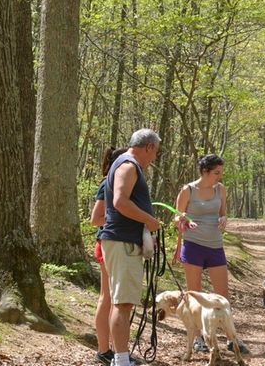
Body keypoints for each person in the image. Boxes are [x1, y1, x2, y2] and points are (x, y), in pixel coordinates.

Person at [173, 154, 250, 354]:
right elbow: (176, 216)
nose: (219, 177)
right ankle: (198, 338)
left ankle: (232, 339)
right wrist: (184, 221)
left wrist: (224, 219)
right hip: (193, 245)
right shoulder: (188, 190)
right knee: (194, 295)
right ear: (205, 171)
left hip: (215, 245)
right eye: (216, 173)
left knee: (222, 296)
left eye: (220, 173)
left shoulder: (220, 189)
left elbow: (222, 212)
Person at [99, 129, 161, 366]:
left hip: (125, 240)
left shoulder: (124, 164)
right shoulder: (128, 165)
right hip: (122, 241)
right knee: (122, 303)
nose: (154, 158)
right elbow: (120, 202)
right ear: (148, 147)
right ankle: (121, 360)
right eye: (155, 152)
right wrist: (148, 220)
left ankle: (121, 358)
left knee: (123, 302)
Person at [91, 146, 127, 365]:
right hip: (107, 244)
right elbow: (96, 218)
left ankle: (113, 350)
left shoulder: (118, 183)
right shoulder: (108, 184)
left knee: (114, 298)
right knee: (109, 298)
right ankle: (105, 350)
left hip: (112, 244)